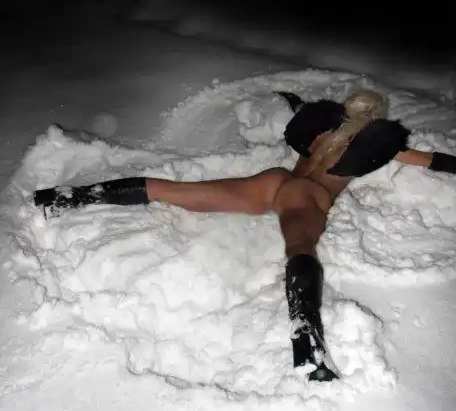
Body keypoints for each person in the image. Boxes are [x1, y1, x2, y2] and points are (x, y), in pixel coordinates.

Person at [33, 88, 456, 382]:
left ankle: (66, 197)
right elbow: (433, 160)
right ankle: (307, 341)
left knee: (177, 192)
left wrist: (292, 101)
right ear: (377, 118)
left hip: (276, 182)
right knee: (300, 246)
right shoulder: (378, 144)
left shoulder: (325, 128)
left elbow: (302, 111)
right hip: (307, 196)